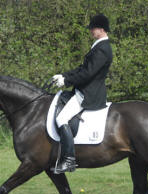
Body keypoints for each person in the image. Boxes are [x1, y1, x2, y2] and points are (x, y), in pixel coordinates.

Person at [52, 14, 113, 174]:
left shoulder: (103, 49)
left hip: (89, 94)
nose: (91, 31)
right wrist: (64, 75)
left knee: (61, 119)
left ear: (101, 29)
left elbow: (88, 74)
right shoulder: (98, 46)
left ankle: (69, 160)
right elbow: (82, 68)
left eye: (93, 28)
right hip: (84, 90)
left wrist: (66, 82)